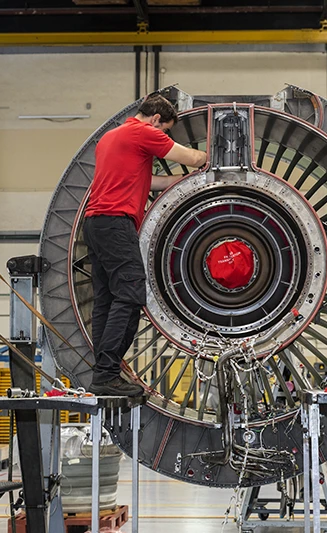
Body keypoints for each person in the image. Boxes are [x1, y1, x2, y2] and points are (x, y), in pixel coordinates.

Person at [83, 94, 207, 397]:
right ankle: (108, 373)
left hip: (94, 223)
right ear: (155, 120)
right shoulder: (143, 132)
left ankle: (103, 374)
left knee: (107, 299)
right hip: (116, 222)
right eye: (165, 130)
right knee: (130, 292)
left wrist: (180, 181)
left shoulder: (110, 138)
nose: (162, 137)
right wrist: (208, 159)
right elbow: (192, 158)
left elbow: (143, 181)